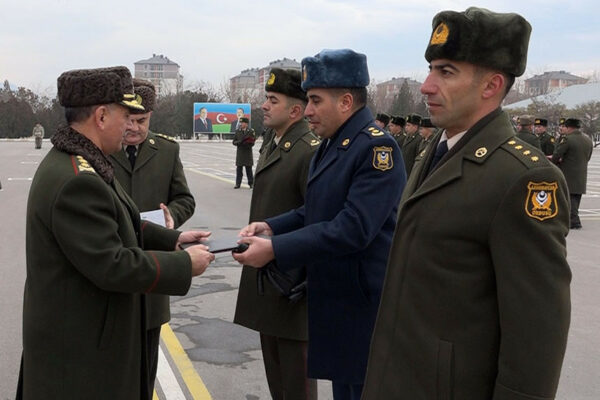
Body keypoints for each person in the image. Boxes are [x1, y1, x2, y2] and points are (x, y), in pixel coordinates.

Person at [362, 8, 571, 400]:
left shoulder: (522, 177)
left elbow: (537, 329)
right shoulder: (436, 152)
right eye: (430, 69)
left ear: (490, 85)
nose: (426, 86)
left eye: (446, 72)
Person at [17, 66, 214, 399]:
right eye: (125, 115)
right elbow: (112, 264)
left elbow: (121, 221)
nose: (130, 125)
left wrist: (174, 239)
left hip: (88, 340)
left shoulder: (84, 163)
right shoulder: (77, 179)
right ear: (101, 116)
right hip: (82, 356)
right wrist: (184, 265)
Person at [232, 49, 406, 400]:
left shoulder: (375, 149)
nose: (307, 110)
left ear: (345, 101)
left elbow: (353, 227)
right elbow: (313, 211)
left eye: (314, 100)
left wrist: (276, 249)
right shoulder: (334, 145)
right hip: (338, 303)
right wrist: (270, 227)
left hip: (363, 309)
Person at [234, 67, 320, 400]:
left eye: (273, 100)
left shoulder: (308, 150)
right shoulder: (277, 143)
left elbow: (314, 218)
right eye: (266, 98)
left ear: (296, 110)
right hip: (271, 282)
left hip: (292, 287)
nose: (264, 106)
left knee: (296, 387)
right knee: (279, 385)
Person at [109, 78, 196, 397]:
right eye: (128, 119)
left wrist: (173, 215)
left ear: (151, 117)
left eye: (141, 121)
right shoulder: (103, 149)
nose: (133, 127)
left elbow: (185, 198)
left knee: (146, 369)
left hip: (152, 273)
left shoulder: (167, 151)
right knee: (114, 371)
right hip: (114, 268)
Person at [552, 118, 593, 229]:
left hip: (567, 173)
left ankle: (574, 221)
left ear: (569, 127)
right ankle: (573, 220)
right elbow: (588, 157)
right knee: (575, 197)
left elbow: (556, 156)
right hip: (581, 173)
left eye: (564, 126)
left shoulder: (567, 140)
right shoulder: (588, 140)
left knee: (568, 198)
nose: (562, 128)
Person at [232, 117, 256, 188]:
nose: (241, 124)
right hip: (240, 153)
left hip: (247, 152)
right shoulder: (237, 131)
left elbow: (253, 141)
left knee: (249, 169)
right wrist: (239, 142)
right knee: (239, 169)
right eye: (241, 123)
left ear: (246, 124)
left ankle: (251, 183)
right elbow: (234, 142)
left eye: (242, 123)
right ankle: (238, 183)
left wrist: (248, 143)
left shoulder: (251, 131)